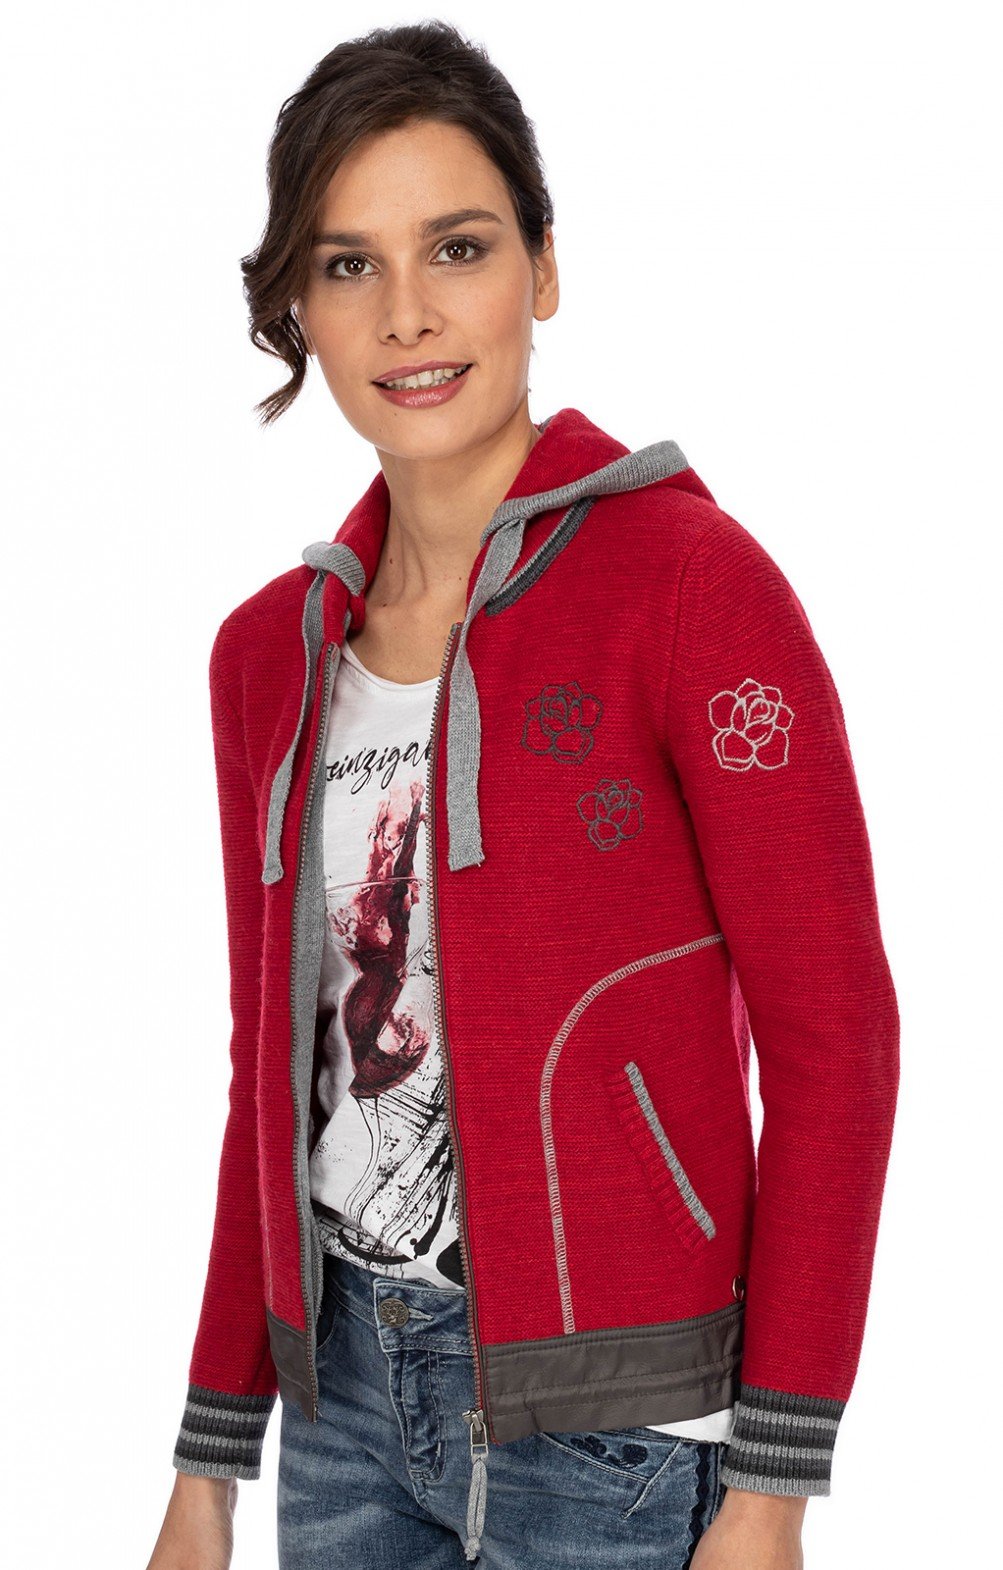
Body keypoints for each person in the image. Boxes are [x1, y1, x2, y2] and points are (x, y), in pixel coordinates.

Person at [146, 20, 900, 1570]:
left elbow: (839, 1041)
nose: (408, 313)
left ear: (543, 269)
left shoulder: (691, 590)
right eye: (348, 265)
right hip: (342, 1408)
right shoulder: (266, 660)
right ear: (297, 305)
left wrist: (774, 1479)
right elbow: (269, 1079)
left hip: (619, 1434)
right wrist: (211, 1456)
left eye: (460, 246)